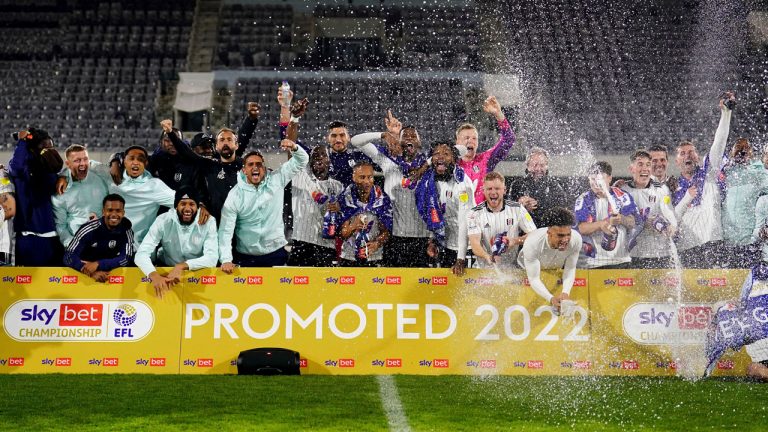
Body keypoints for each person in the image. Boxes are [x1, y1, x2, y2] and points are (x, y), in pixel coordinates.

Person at [350, 111, 431, 267]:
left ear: (420, 143)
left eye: (413, 136)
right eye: (405, 137)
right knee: (393, 285)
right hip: (393, 237)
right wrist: (383, 134)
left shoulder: (428, 165)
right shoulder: (387, 161)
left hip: (422, 238)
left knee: (421, 286)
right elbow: (355, 141)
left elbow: (457, 151)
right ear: (398, 142)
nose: (409, 139)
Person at [219, 140, 308, 271]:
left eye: (259, 164)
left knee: (277, 292)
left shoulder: (277, 179)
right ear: (244, 170)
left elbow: (302, 161)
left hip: (275, 254)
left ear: (264, 168)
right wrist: (226, 259)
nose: (255, 167)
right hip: (246, 257)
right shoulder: (234, 196)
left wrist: (294, 148)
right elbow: (225, 230)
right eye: (251, 164)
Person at [161, 104, 259, 222]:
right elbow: (185, 152)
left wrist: (251, 119)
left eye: (210, 146)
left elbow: (242, 138)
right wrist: (201, 204)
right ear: (193, 150)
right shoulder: (201, 165)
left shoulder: (239, 164)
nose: (208, 149)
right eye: (203, 146)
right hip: (210, 220)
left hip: (241, 221)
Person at [672, 92, 735, 268]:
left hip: (713, 246)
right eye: (682, 153)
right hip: (687, 250)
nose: (687, 155)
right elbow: (672, 219)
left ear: (698, 157)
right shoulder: (672, 186)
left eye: (691, 152)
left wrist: (726, 113)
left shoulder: (709, 172)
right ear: (677, 162)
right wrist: (686, 198)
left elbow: (719, 141)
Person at [135, 188, 218, 298]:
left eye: (192, 204)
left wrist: (182, 266)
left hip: (197, 272)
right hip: (167, 270)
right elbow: (141, 254)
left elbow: (212, 258)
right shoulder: (163, 220)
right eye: (183, 204)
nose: (187, 208)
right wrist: (154, 275)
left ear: (198, 207)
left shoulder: (209, 222)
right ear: (175, 207)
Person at [414, 140, 475, 274]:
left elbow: (466, 222)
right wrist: (433, 240)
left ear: (454, 159)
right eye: (436, 154)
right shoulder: (429, 182)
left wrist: (460, 258)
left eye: (446, 154)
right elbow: (434, 214)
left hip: (467, 247)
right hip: (446, 245)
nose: (440, 157)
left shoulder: (463, 183)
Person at [7, 127, 64, 266]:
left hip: (50, 235)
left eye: (51, 147)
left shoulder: (50, 171)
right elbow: (17, 167)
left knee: (52, 284)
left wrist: (22, 141)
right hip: (28, 235)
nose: (50, 150)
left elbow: (17, 166)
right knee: (29, 284)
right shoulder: (22, 169)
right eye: (46, 147)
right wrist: (23, 143)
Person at [518, 207, 582, 314]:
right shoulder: (532, 242)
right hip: (527, 270)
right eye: (560, 235)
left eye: (568, 234)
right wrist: (551, 298)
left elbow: (570, 268)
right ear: (549, 233)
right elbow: (533, 279)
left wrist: (565, 293)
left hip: (555, 267)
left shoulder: (576, 239)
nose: (565, 240)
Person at [620, 150, 678, 268]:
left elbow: (668, 211)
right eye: (640, 164)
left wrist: (672, 226)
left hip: (661, 254)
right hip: (633, 255)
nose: (645, 168)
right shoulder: (623, 191)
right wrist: (643, 222)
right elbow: (620, 220)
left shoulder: (662, 190)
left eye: (648, 165)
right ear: (631, 169)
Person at [466, 171, 536, 268]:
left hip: (511, 269)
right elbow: (475, 244)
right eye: (489, 189)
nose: (493, 192)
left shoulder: (518, 209)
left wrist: (515, 241)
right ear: (483, 190)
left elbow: (535, 235)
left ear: (504, 190)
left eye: (497, 188)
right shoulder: (474, 213)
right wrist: (488, 257)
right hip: (483, 270)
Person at [574, 161, 637, 269]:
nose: (596, 183)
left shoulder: (623, 196)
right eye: (592, 179)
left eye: (600, 179)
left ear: (609, 178)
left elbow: (634, 222)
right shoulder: (584, 199)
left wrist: (621, 219)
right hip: (595, 262)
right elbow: (581, 228)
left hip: (622, 260)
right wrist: (602, 224)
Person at [109, 145, 175, 245]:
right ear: (124, 161)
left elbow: (180, 201)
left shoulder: (154, 186)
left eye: (140, 160)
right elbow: (90, 165)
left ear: (146, 163)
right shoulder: (112, 177)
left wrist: (201, 205)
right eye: (131, 158)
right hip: (111, 246)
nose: (135, 162)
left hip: (139, 249)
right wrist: (114, 160)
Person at [456, 95, 516, 204]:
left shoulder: (485, 160)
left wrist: (499, 114)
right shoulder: (451, 165)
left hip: (482, 218)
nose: (471, 141)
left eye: (474, 138)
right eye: (466, 138)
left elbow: (509, 140)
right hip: (458, 219)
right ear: (457, 142)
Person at [62, 194, 135, 282]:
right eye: (110, 210)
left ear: (123, 213)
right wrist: (88, 271)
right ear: (103, 212)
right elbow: (68, 256)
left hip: (109, 272)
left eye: (118, 211)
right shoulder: (88, 229)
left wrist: (98, 264)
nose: (114, 214)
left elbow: (126, 258)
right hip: (83, 273)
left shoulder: (127, 230)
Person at [720, 138, 768, 268]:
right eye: (739, 150)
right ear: (732, 153)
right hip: (727, 241)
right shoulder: (727, 172)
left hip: (748, 242)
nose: (742, 154)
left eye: (745, 151)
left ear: (751, 153)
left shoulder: (757, 172)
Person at [51, 144, 110, 247]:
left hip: (104, 244)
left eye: (85, 159)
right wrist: (74, 246)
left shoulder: (101, 177)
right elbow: (60, 226)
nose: (82, 163)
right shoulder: (60, 192)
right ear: (68, 164)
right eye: (77, 160)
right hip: (77, 247)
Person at [338, 161, 393, 266]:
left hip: (374, 257)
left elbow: (386, 231)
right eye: (362, 177)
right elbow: (342, 235)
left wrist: (376, 243)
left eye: (370, 177)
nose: (367, 181)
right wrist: (353, 226)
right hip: (349, 257)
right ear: (354, 178)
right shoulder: (344, 198)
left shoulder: (382, 199)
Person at [506, 146, 569, 228]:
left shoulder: (555, 186)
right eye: (535, 165)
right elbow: (507, 215)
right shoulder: (517, 185)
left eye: (542, 165)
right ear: (528, 166)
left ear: (547, 166)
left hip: (548, 234)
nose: (538, 169)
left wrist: (539, 205)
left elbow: (563, 214)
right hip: (523, 235)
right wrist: (520, 206)